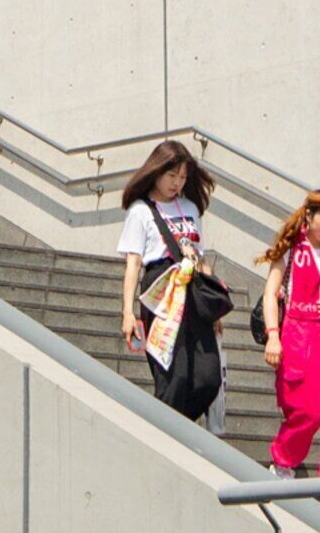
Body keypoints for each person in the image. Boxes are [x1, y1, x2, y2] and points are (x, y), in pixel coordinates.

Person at [118, 140, 227, 429]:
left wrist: (213, 305)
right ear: (156, 171)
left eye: (182, 177)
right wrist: (128, 312)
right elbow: (133, 264)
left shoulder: (190, 207)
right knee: (174, 378)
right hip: (161, 296)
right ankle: (167, 438)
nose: (177, 183)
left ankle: (172, 431)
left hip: (193, 292)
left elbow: (201, 256)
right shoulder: (141, 211)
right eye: (172, 176)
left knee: (208, 378)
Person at [260, 190, 320, 493]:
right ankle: (283, 461)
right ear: (309, 216)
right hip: (298, 332)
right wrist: (273, 336)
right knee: (307, 412)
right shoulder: (290, 249)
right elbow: (269, 294)